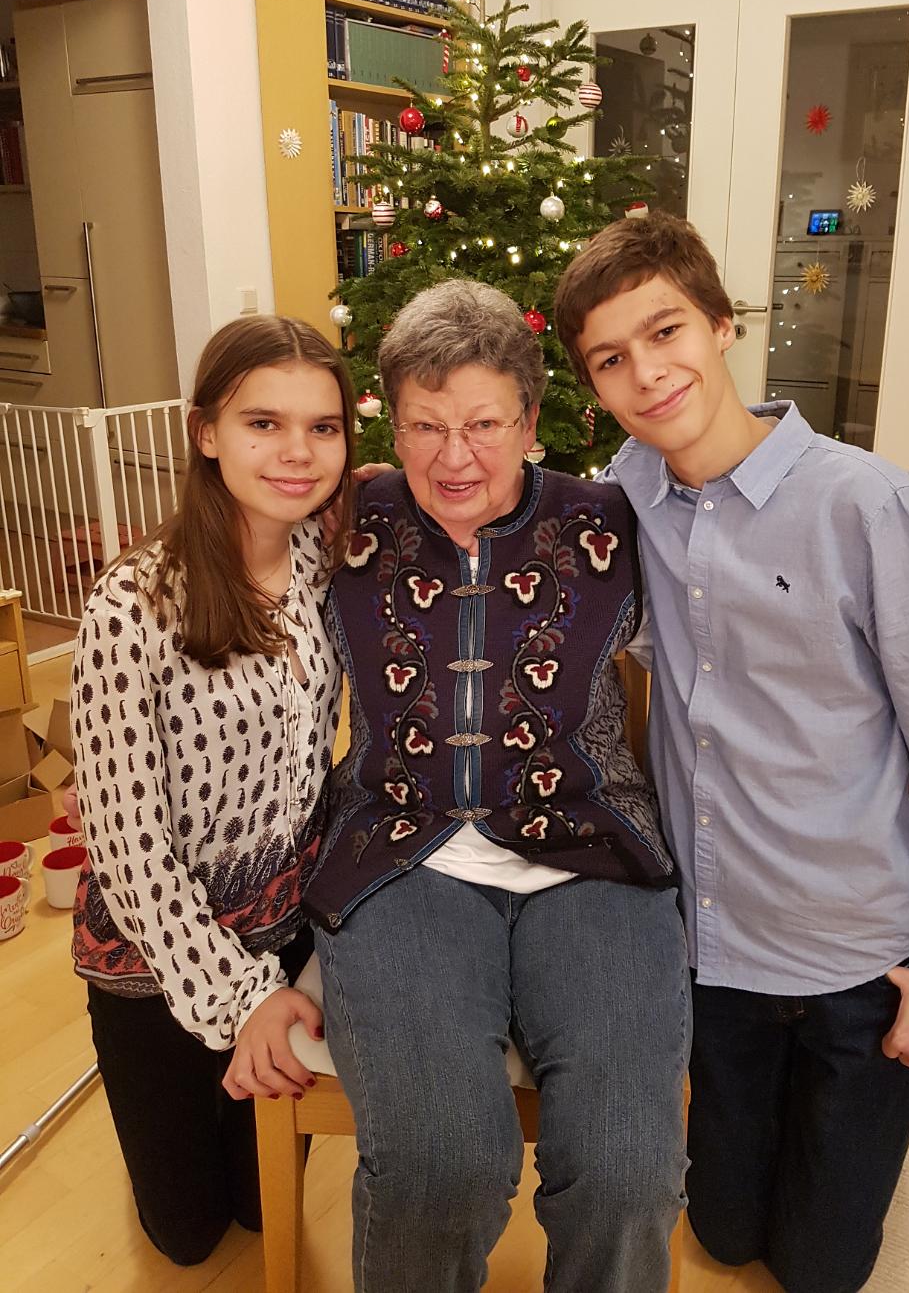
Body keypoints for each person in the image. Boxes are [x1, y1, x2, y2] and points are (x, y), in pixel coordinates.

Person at [552, 212, 909, 1293]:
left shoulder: (869, 508)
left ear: (722, 325)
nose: (648, 372)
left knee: (821, 1269)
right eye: (611, 359)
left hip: (860, 959)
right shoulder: (626, 496)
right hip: (717, 953)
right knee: (722, 1235)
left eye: (665, 332)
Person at [302, 280, 689, 1293]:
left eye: (483, 424)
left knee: (626, 1173)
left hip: (594, 856)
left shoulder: (614, 522)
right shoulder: (343, 519)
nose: (454, 457)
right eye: (424, 426)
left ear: (529, 419)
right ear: (391, 423)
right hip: (399, 857)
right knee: (442, 1165)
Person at [69, 315, 354, 1266]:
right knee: (186, 1237)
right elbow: (128, 850)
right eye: (262, 423)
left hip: (289, 933)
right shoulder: (133, 604)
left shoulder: (321, 560)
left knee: (267, 1212)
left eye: (322, 427)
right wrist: (243, 1002)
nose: (296, 452)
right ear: (206, 433)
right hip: (158, 961)